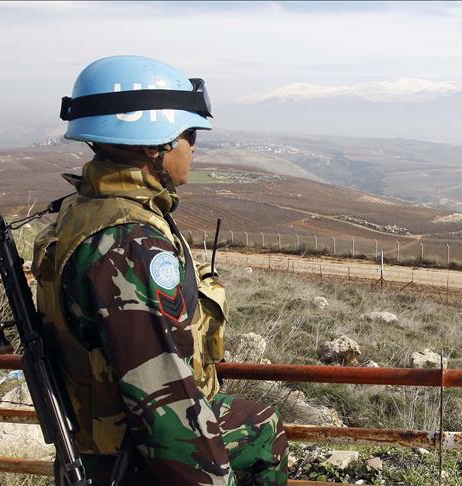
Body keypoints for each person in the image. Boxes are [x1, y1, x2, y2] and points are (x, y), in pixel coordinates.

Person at [32, 55, 288, 485]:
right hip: (127, 456)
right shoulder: (131, 244)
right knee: (263, 435)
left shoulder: (84, 209)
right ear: (155, 146)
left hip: (101, 434)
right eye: (189, 135)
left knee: (262, 424)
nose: (194, 148)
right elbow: (164, 403)